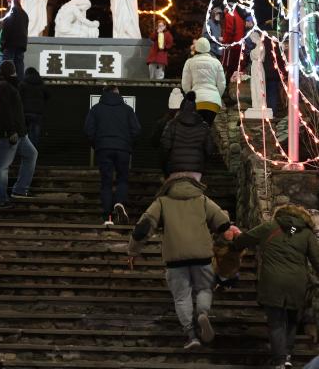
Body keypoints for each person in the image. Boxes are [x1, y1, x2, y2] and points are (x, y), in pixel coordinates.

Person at [127, 176, 231, 350]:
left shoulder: (161, 202)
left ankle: (191, 336)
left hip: (175, 259)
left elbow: (143, 227)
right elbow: (222, 222)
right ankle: (202, 314)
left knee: (182, 296)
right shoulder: (202, 199)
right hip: (202, 256)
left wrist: (133, 251)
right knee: (204, 288)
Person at [228, 204, 319, 369]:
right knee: (291, 320)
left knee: (276, 322)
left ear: (281, 215)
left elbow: (243, 241)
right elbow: (317, 258)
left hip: (273, 281)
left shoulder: (269, 227)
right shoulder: (305, 233)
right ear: (301, 217)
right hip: (296, 283)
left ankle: (279, 361)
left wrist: (233, 240)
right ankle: (288, 355)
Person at [84, 84, 141, 225]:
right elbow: (137, 130)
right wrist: (128, 145)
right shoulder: (127, 110)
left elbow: (88, 130)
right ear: (117, 93)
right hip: (123, 149)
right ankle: (119, 203)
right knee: (122, 179)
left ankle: (108, 218)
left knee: (106, 183)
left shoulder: (96, 109)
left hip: (103, 149)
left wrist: (97, 145)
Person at [0, 60, 38, 207]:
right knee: (2, 166)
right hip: (10, 133)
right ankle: (1, 198)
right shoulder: (4, 87)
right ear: (12, 71)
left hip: (18, 133)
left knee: (31, 154)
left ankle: (20, 189)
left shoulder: (4, 85)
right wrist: (11, 131)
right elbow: (5, 111)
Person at [160, 92, 215, 180]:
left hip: (175, 168)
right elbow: (209, 149)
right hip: (196, 170)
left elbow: (164, 147)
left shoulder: (172, 124)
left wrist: (165, 169)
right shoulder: (204, 126)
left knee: (175, 192)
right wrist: (202, 164)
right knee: (193, 192)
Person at [180, 37, 227, 125]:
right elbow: (222, 84)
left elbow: (185, 84)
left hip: (197, 102)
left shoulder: (189, 62)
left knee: (196, 129)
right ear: (208, 48)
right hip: (213, 103)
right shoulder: (216, 62)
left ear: (196, 48)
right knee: (207, 128)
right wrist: (217, 95)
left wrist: (191, 98)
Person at [0, 0, 29, 80]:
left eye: (8, 2)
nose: (8, 5)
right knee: (19, 64)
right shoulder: (24, 13)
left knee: (7, 64)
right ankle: (21, 84)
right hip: (21, 44)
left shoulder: (11, 11)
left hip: (10, 42)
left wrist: (3, 42)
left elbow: (7, 28)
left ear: (11, 2)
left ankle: (5, 83)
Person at [19, 66, 49, 148]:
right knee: (35, 132)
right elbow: (48, 95)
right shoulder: (41, 84)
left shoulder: (23, 84)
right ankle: (33, 148)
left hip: (25, 112)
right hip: (38, 113)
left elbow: (18, 96)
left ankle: (25, 149)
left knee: (25, 132)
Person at [221, 5, 246, 76]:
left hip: (231, 46)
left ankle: (225, 84)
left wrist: (225, 42)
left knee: (227, 66)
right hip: (238, 46)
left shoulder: (229, 15)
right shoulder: (239, 16)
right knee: (236, 68)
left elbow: (229, 31)